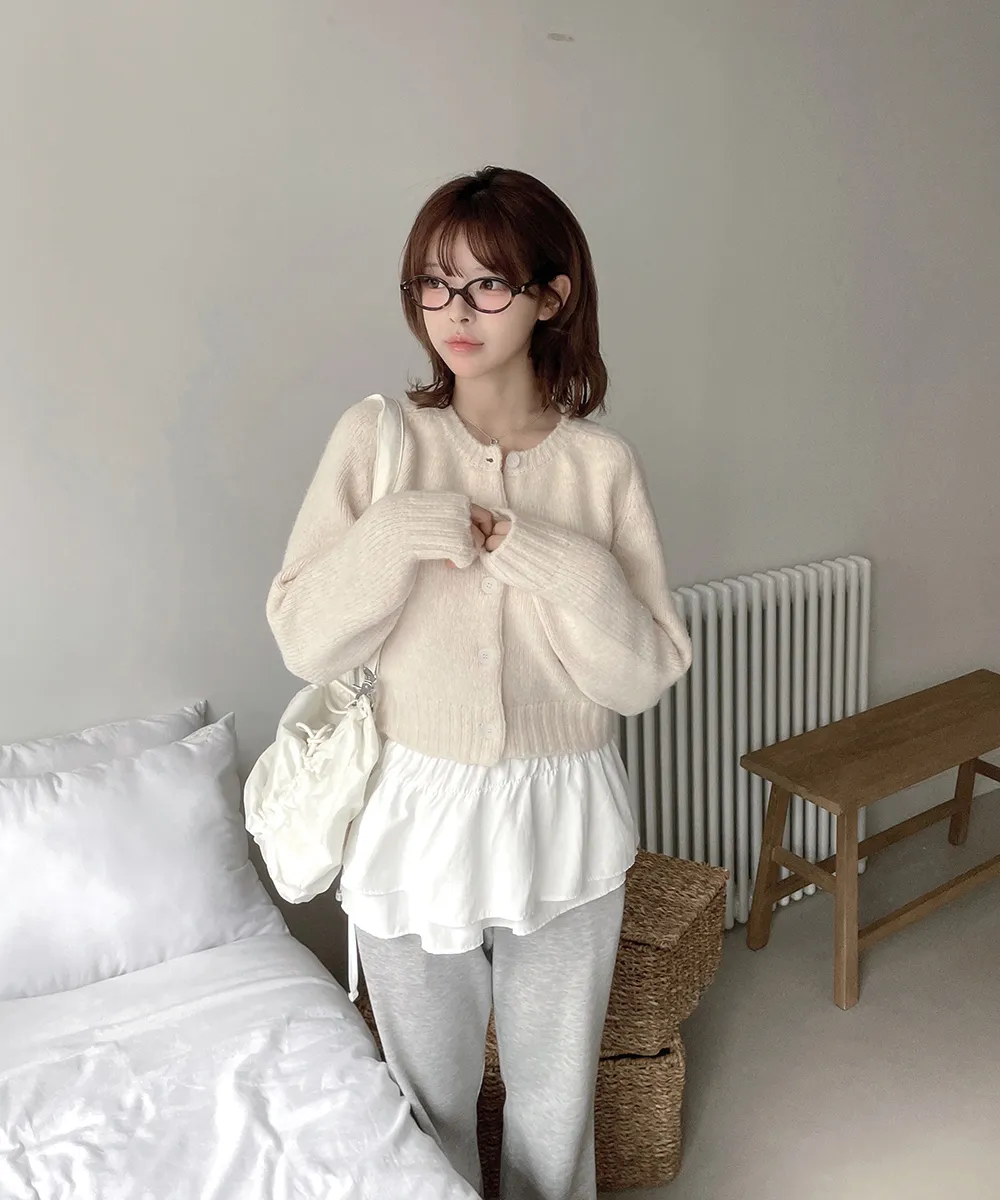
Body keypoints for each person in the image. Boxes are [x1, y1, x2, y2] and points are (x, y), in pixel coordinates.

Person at [266, 166, 692, 1200]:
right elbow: (303, 640)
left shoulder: (601, 467)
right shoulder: (378, 440)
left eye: (487, 285)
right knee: (430, 1102)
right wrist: (392, 535)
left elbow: (642, 675)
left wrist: (562, 565)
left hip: (565, 805)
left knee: (555, 1101)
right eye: (432, 283)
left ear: (552, 295)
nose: (453, 312)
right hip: (414, 806)